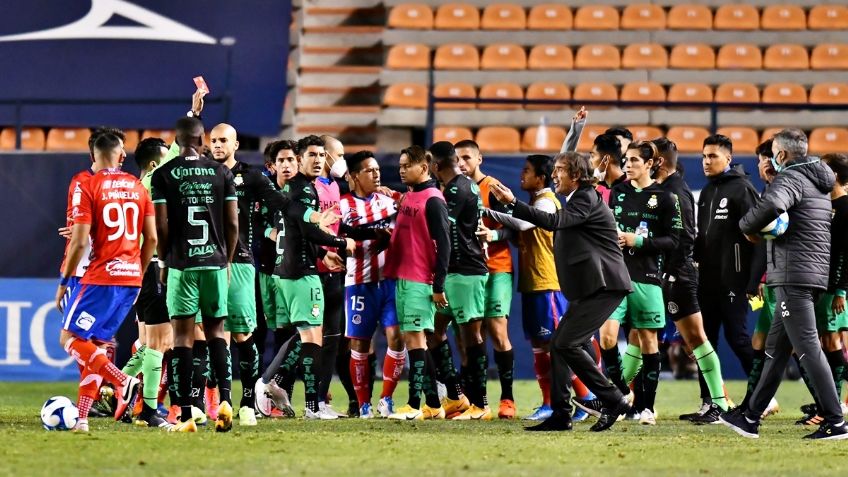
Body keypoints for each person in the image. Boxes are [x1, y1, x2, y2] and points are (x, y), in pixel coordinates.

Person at [489, 152, 632, 432]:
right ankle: (561, 414)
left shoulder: (585, 197)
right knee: (559, 345)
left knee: (566, 344)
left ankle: (612, 398)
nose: (554, 175)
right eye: (554, 170)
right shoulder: (579, 196)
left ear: (576, 175)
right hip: (591, 287)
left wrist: (512, 203)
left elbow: (553, 222)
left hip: (605, 286)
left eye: (559, 171)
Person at [721, 128, 848, 440]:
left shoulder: (789, 178)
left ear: (781, 155)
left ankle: (835, 420)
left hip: (793, 274)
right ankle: (750, 417)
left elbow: (772, 207)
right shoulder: (818, 180)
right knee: (776, 351)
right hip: (810, 273)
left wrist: (745, 225)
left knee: (808, 349)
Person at [55, 131, 157, 432]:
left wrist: (63, 280)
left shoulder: (88, 184)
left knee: (70, 339)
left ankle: (121, 380)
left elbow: (80, 238)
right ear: (122, 156)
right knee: (95, 347)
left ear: (93, 156)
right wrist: (138, 269)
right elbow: (150, 237)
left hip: (97, 276)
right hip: (131, 278)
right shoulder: (138, 187)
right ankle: (83, 418)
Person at [151, 117, 239, 433]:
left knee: (182, 338)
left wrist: (163, 262)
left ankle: (187, 414)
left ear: (177, 139)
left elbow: (161, 225)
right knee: (217, 332)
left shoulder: (164, 174)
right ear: (202, 140)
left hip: (182, 265)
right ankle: (226, 399)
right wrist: (226, 261)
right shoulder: (221, 172)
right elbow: (232, 224)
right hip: (215, 263)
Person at [270, 135, 354, 420]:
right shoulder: (304, 191)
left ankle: (306, 402)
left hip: (296, 268)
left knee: (311, 337)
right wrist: (341, 243)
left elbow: (300, 230)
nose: (319, 160)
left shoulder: (299, 189)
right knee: (309, 337)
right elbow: (308, 230)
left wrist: (323, 253)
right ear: (300, 159)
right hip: (299, 271)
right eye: (312, 155)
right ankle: (277, 386)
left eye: (322, 155)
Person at [600, 141, 682, 426]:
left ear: (650, 164)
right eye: (626, 160)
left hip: (647, 278)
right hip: (616, 277)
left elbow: (674, 241)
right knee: (607, 337)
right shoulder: (618, 193)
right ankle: (621, 394)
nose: (628, 165)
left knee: (649, 342)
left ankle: (647, 407)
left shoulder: (666, 198)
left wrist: (639, 241)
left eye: (634, 160)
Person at [651, 137, 730, 424]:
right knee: (687, 342)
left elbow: (684, 238)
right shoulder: (664, 189)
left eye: (648, 156)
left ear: (657, 161)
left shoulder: (675, 192)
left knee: (696, 339)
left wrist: (671, 271)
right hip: (671, 274)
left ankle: (719, 404)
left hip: (678, 275)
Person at [428, 141, 491, 420]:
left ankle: (482, 405)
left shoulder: (455, 189)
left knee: (471, 338)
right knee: (434, 331)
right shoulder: (467, 185)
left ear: (435, 163)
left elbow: (441, 231)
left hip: (466, 271)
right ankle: (456, 395)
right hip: (455, 271)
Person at [338, 150, 404, 418]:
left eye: (378, 169)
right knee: (360, 345)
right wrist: (378, 232)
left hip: (389, 282)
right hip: (358, 283)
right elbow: (345, 233)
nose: (377, 174)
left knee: (397, 337)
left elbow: (410, 212)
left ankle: (386, 399)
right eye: (369, 170)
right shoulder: (342, 205)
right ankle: (363, 403)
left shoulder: (389, 201)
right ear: (354, 176)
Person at [386, 145, 450, 421]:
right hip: (404, 277)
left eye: (406, 166)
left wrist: (438, 286)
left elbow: (445, 245)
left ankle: (413, 405)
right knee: (417, 342)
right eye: (399, 165)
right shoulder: (411, 196)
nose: (401, 170)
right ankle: (434, 404)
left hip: (419, 280)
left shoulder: (433, 200)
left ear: (423, 168)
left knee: (415, 340)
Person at [455, 139, 516, 419]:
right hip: (467, 272)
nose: (461, 163)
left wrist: (493, 235)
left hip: (496, 269)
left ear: (480, 159)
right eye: (457, 159)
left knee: (498, 332)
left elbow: (516, 228)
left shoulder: (492, 188)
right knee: (470, 336)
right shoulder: (454, 190)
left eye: (467, 157)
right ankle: (473, 400)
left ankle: (508, 399)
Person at [695, 134, 758, 409]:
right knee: (703, 341)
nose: (707, 162)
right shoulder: (708, 191)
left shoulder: (742, 189)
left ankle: (763, 397)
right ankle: (709, 402)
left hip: (734, 280)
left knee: (738, 338)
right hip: (707, 282)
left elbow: (758, 237)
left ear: (728, 158)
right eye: (704, 156)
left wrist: (753, 280)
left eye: (713, 156)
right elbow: (703, 238)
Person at [118, 137, 173, 428]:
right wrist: (194, 114)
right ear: (153, 165)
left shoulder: (131, 191)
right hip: (152, 268)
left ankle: (115, 390)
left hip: (136, 269)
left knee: (153, 343)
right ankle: (149, 409)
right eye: (166, 160)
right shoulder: (153, 181)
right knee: (160, 343)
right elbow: (180, 148)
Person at [737, 139, 781, 419]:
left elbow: (770, 241)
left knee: (802, 349)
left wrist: (757, 281)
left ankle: (829, 408)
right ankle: (755, 402)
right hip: (771, 281)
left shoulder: (783, 193)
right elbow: (763, 244)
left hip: (784, 281)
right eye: (759, 160)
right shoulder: (768, 191)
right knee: (760, 341)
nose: (761, 164)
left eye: (765, 158)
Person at [315, 135, 357, 418]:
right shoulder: (312, 187)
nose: (341, 159)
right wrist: (322, 253)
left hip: (337, 268)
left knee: (337, 338)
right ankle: (316, 399)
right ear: (325, 155)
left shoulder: (334, 186)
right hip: (318, 269)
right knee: (322, 337)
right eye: (338, 154)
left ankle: (342, 399)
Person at [589, 133, 626, 204]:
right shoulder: (595, 189)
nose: (590, 161)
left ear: (606, 159)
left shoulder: (632, 186)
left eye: (593, 156)